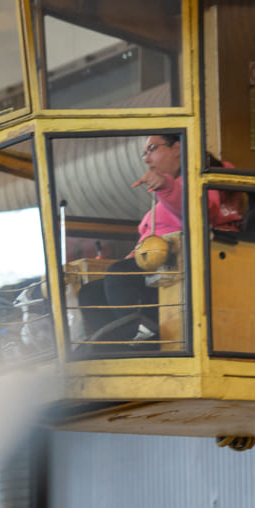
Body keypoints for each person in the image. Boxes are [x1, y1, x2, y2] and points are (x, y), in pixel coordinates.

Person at [78, 134, 243, 348]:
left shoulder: (203, 178)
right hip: (161, 265)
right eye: (144, 154)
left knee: (118, 275)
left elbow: (199, 211)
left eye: (152, 149)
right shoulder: (172, 189)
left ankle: (140, 336)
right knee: (90, 292)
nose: (147, 159)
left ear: (177, 148)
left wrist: (166, 186)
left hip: (183, 266)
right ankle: (112, 343)